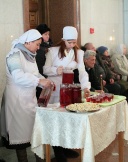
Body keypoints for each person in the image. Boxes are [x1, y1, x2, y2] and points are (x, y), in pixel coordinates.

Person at [0, 29, 53, 162]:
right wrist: (39, 81)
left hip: (29, 99)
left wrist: (45, 81)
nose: (38, 47)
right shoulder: (14, 54)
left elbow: (35, 75)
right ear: (28, 42)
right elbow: (18, 77)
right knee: (20, 138)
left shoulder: (30, 54)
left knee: (35, 134)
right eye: (37, 44)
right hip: (16, 100)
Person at [43, 26, 91, 162]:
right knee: (55, 121)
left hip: (68, 89)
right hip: (54, 89)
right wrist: (55, 70)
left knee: (67, 121)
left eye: (74, 42)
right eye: (69, 42)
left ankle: (64, 147)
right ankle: (58, 151)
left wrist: (85, 86)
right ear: (63, 40)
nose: (71, 45)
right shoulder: (52, 51)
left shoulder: (79, 53)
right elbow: (45, 69)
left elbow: (82, 72)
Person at [36, 23, 52, 99]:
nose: (48, 36)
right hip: (42, 77)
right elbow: (39, 66)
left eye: (48, 34)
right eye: (45, 34)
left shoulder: (49, 46)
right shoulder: (39, 49)